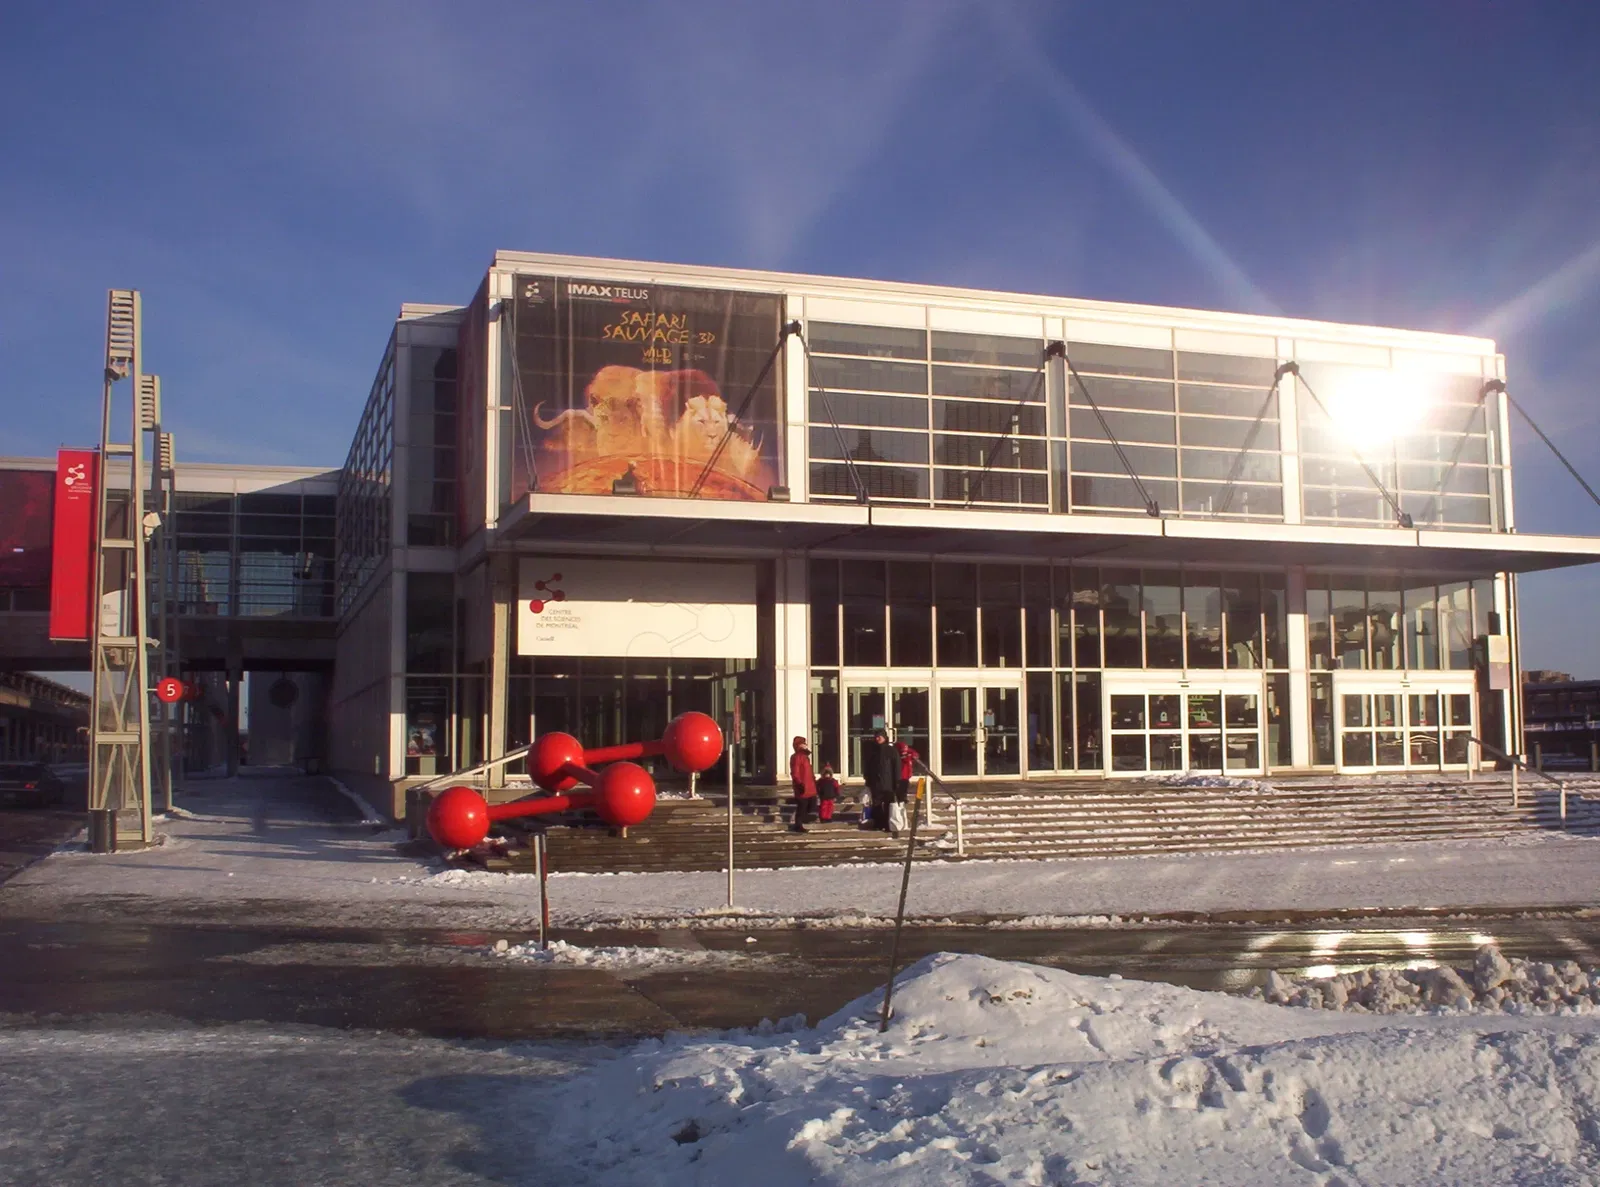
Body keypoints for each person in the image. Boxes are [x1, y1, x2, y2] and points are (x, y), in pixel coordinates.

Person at [862, 728, 898, 831]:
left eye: (880, 737)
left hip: (888, 782)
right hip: (875, 782)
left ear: (884, 737)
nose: (878, 739)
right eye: (876, 737)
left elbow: (896, 767)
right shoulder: (872, 751)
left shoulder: (891, 751)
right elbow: (868, 765)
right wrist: (867, 779)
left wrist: (897, 782)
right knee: (876, 803)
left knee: (888, 803)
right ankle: (878, 823)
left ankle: (887, 824)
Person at [891, 739, 919, 837]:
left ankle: (902, 799)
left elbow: (915, 754)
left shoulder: (908, 754)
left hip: (905, 776)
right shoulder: (896, 755)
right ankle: (900, 799)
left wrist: (909, 755)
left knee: (903, 788)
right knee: (900, 789)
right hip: (899, 776)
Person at [789, 736, 817, 833]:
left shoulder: (805, 757)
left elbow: (809, 772)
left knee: (809, 805)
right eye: (803, 743)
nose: (805, 745)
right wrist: (799, 783)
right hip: (802, 787)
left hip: (809, 786)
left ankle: (801, 821)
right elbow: (795, 772)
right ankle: (798, 824)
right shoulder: (797, 757)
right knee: (802, 806)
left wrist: (814, 781)